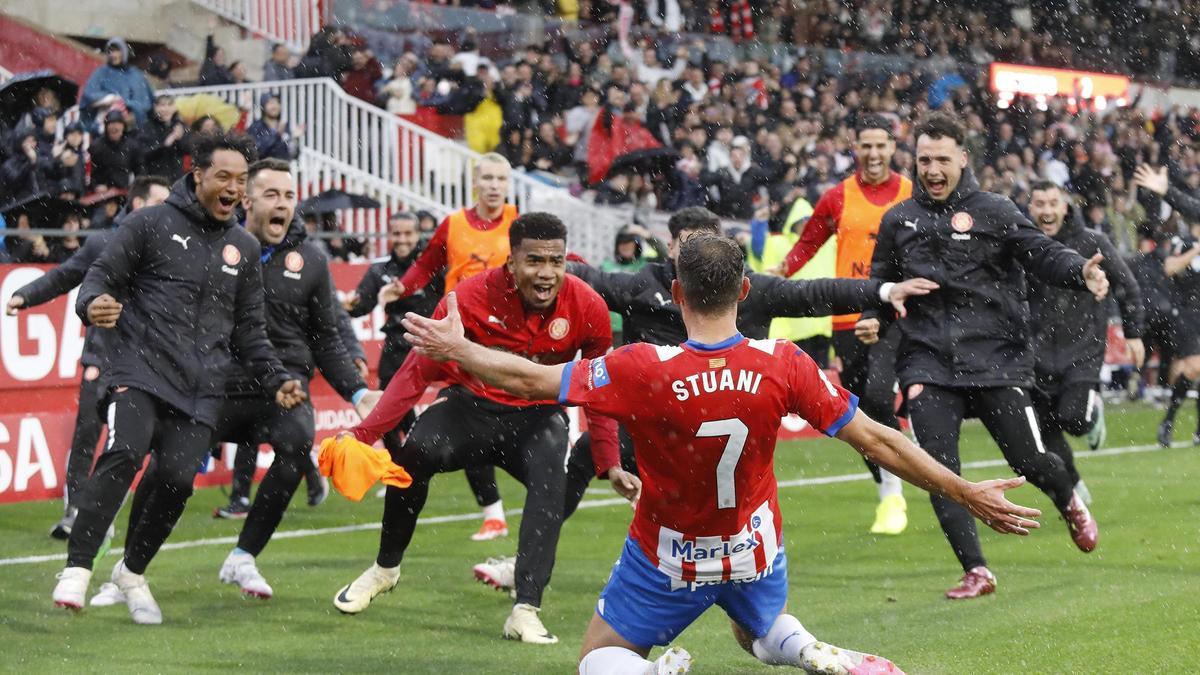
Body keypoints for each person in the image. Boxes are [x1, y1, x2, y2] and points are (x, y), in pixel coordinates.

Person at [400, 232, 1044, 675]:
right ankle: (809, 650)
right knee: (756, 631)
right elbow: (879, 438)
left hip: (669, 555)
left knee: (598, 657)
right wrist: (966, 492)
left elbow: (530, 381)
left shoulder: (641, 367)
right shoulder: (784, 364)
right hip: (754, 548)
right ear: (744, 290)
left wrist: (456, 349)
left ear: (676, 294)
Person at [472, 206, 938, 595]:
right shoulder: (642, 286)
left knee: (725, 522)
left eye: (707, 245)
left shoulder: (750, 289)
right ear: (671, 249)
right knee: (567, 476)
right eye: (688, 244)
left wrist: (881, 290)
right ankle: (527, 567)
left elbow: (815, 293)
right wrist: (529, 266)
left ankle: (743, 594)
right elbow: (577, 274)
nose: (698, 256)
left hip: (727, 428)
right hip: (655, 429)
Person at [330, 214, 628, 646]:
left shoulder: (588, 307)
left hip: (537, 417)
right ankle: (385, 569)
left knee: (551, 484)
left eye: (556, 261)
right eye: (535, 261)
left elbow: (597, 392)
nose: (546, 273)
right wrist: (360, 435)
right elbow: (414, 375)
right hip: (468, 406)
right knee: (414, 455)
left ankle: (525, 609)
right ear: (512, 262)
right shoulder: (468, 297)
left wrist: (610, 461)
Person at [91, 160, 378, 605]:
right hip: (214, 385)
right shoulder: (216, 247)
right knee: (171, 471)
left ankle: (244, 555)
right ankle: (130, 567)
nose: (282, 204)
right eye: (271, 195)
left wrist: (358, 392)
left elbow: (328, 339)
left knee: (297, 442)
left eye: (288, 196)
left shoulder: (313, 261)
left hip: (279, 387)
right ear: (247, 202)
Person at [50, 134, 307, 624]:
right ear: (199, 178)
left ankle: (130, 572)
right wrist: (91, 305)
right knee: (124, 452)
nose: (233, 188)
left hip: (201, 388)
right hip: (139, 370)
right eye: (224, 177)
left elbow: (251, 334)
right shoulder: (149, 223)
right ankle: (77, 569)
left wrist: (276, 379)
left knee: (176, 481)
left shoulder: (244, 248)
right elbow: (99, 278)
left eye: (240, 180)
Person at [859, 112, 1107, 600]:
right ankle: (976, 569)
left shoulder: (994, 210)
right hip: (927, 359)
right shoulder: (899, 219)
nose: (932, 169)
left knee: (1031, 461)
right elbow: (881, 285)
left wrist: (1080, 270)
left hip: (997, 359)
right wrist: (876, 316)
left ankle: (1067, 498)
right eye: (924, 159)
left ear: (963, 158)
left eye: (942, 160)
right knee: (939, 471)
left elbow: (1040, 252)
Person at [771, 114, 915, 535]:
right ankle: (889, 481)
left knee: (876, 393)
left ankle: (895, 488)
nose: (872, 154)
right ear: (855, 148)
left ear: (893, 148)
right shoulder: (837, 197)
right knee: (854, 414)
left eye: (880, 146)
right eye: (865, 146)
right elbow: (807, 244)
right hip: (847, 316)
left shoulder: (911, 194)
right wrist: (780, 271)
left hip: (895, 311)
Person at [6, 176, 172, 539]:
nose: (169, 209)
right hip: (104, 356)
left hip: (152, 363)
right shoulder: (104, 243)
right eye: (162, 201)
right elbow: (66, 276)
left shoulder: (172, 250)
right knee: (87, 434)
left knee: (145, 442)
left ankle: (116, 508)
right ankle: (75, 511)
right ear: (140, 204)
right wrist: (25, 295)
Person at [385, 152, 520, 540]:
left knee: (475, 415)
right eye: (488, 178)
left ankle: (501, 507)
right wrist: (402, 286)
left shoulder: (516, 224)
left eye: (501, 179)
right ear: (475, 183)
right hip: (457, 334)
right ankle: (493, 511)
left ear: (508, 185)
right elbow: (426, 265)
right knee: (460, 411)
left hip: (503, 339)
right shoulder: (454, 224)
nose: (494, 185)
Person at [1026, 180, 1145, 504]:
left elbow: (1128, 286)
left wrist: (1134, 333)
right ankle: (1072, 483)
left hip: (1082, 350)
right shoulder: (1020, 245)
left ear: (1065, 207)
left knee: (1073, 421)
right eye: (1040, 204)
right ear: (1030, 208)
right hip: (1033, 355)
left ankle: (1092, 412)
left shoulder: (1093, 242)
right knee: (1042, 431)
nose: (1047, 210)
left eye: (1053, 203)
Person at [1131, 165, 1200, 446]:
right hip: (1186, 313)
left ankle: (1173, 422)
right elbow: (1169, 268)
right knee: (1194, 368)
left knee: (1190, 371)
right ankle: (1172, 422)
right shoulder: (1182, 243)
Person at [79, 38, 156, 126]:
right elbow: (88, 96)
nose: (113, 55)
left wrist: (129, 108)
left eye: (117, 51)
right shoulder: (101, 72)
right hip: (105, 123)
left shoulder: (136, 75)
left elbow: (144, 103)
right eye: (110, 51)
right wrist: (111, 99)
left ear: (124, 52)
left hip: (133, 125)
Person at [138, 95, 187, 181]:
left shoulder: (179, 125)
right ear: (155, 107)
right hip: (155, 177)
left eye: (169, 105)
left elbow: (188, 149)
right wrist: (165, 145)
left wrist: (180, 139)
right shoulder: (147, 127)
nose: (166, 109)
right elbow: (144, 153)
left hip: (177, 178)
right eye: (162, 105)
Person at [88, 110, 140, 190]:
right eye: (111, 123)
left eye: (118, 124)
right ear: (106, 126)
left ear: (123, 126)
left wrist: (135, 188)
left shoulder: (132, 146)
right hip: (101, 192)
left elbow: (139, 170)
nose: (115, 127)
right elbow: (90, 172)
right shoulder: (96, 146)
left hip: (124, 191)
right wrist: (96, 186)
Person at [246, 94, 304, 160]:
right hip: (263, 167)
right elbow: (257, 150)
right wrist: (276, 135)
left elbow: (293, 155)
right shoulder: (256, 127)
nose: (274, 106)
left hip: (283, 166)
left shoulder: (284, 126)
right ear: (263, 106)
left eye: (277, 102)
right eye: (271, 103)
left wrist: (294, 139)